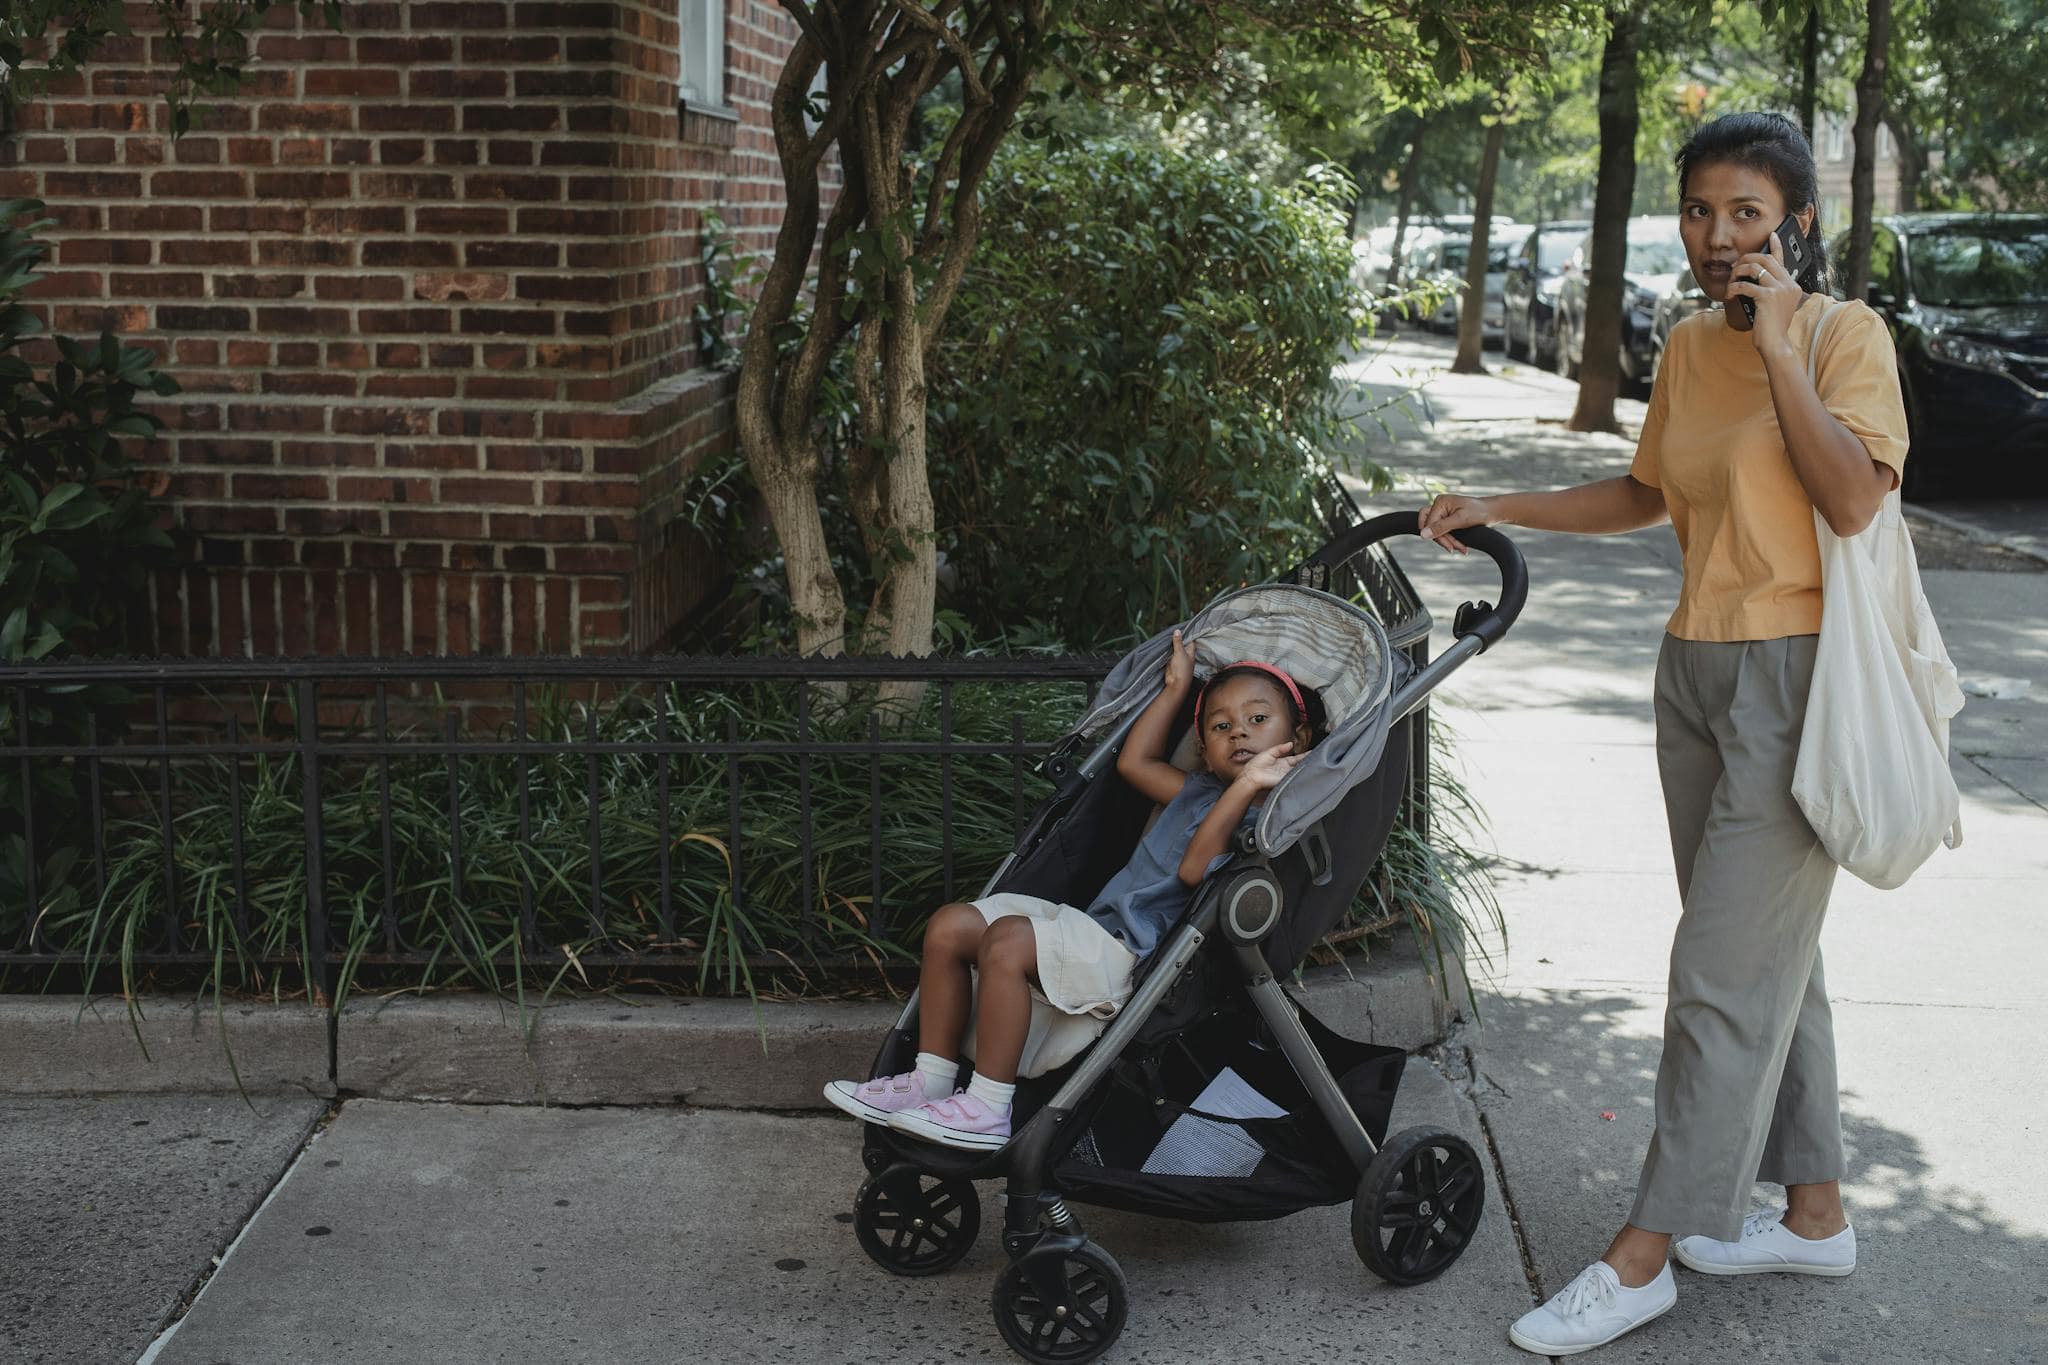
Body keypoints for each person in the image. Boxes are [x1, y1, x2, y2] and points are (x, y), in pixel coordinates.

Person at [1417, 112, 1908, 1355]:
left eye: (1745, 212)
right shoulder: (1687, 347)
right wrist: (1501, 503)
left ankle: (1640, 1257)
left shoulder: (1846, 334)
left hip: (1798, 678)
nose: (1716, 236)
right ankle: (1811, 1214)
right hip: (1690, 672)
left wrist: (1786, 345)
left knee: (1718, 976)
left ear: (1793, 221)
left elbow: (1849, 498)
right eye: (1698, 211)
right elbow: (1648, 490)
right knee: (1760, 960)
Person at [824, 632, 1323, 1151]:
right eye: (1221, 726)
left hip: (1133, 954)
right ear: (1204, 748)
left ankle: (989, 1107)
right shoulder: (1199, 789)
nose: (1239, 732)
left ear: (1300, 737)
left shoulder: (1265, 820)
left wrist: (1246, 787)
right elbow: (1133, 766)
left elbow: (1197, 869)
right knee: (951, 925)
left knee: (1008, 942)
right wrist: (1175, 690)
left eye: (1258, 720)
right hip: (1092, 929)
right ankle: (929, 1081)